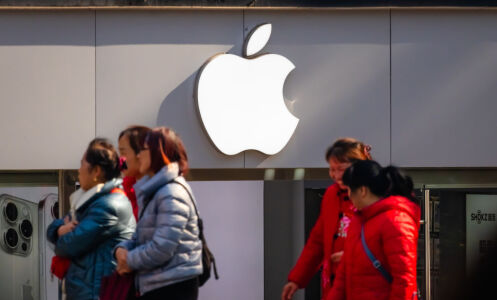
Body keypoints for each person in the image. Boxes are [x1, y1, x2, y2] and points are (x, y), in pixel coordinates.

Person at [114, 127, 202, 300]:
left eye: (143, 150)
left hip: (172, 287)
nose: (139, 156)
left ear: (158, 152)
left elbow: (162, 247)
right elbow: (141, 236)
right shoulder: (156, 190)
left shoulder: (171, 192)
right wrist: (120, 249)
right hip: (159, 284)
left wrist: (129, 260)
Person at [282, 138, 372, 300]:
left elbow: (388, 244)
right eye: (332, 169)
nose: (335, 175)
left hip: (366, 286)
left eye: (341, 169)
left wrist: (354, 256)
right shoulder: (331, 195)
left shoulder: (375, 195)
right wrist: (296, 279)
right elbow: (317, 242)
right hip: (334, 285)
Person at [47, 138, 136, 300]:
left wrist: (61, 234)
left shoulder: (110, 205)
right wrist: (60, 229)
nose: (79, 170)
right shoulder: (90, 202)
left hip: (98, 294)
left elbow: (68, 245)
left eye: (82, 164)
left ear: (96, 172)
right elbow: (52, 229)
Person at [327, 160, 420, 300]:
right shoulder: (359, 221)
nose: (349, 197)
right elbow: (342, 278)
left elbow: (404, 281)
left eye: (350, 191)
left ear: (363, 191)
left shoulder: (395, 220)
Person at [118, 125, 151, 220]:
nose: (120, 160)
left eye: (123, 153)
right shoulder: (122, 192)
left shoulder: (161, 193)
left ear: (141, 153)